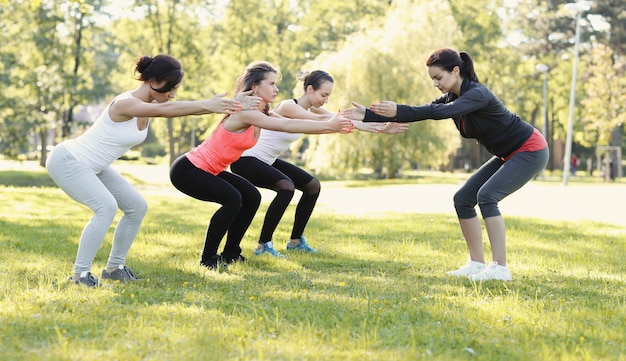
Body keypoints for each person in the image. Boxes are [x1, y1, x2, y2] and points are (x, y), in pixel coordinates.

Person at [46, 54, 259, 288]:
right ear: (154, 82)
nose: (173, 94)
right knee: (105, 207)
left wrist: (230, 104)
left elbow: (177, 108)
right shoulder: (125, 103)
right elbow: (170, 110)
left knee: (136, 206)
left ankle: (115, 269)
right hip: (69, 160)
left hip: (95, 166)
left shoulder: (150, 105)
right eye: (171, 88)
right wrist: (209, 105)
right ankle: (80, 275)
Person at [343, 48, 549, 281]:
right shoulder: (453, 97)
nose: (435, 84)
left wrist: (398, 109)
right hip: (507, 153)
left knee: (488, 196)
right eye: (432, 79)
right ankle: (476, 263)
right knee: (463, 199)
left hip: (530, 149)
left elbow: (438, 112)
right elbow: (424, 111)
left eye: (438, 78)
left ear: (456, 71)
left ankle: (500, 268)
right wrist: (369, 115)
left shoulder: (477, 94)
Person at [168, 61, 355, 270]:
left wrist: (334, 127)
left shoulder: (262, 111)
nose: (276, 89)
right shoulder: (245, 111)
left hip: (210, 169)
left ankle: (231, 254)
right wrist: (330, 125)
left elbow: (293, 126)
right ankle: (208, 259)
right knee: (232, 199)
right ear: (255, 87)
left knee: (251, 196)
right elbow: (286, 124)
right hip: (189, 169)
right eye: (272, 83)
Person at [230, 69, 409, 258]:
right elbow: (323, 120)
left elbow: (335, 119)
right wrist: (358, 120)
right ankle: (263, 245)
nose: (326, 100)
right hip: (247, 160)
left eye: (328, 96)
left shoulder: (311, 109)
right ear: (309, 89)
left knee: (312, 186)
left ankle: (296, 241)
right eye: (324, 95)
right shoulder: (287, 106)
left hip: (268, 161)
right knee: (286, 187)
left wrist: (381, 126)